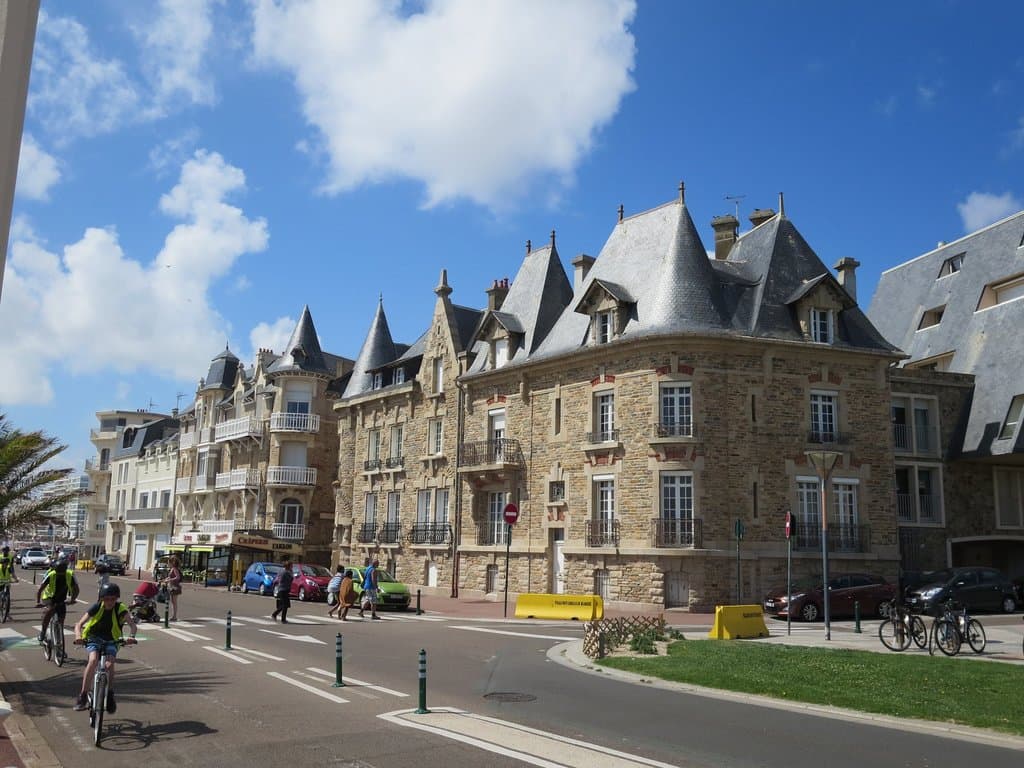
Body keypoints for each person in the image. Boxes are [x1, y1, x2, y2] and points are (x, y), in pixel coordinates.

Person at [73, 583, 137, 713]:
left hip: (112, 640)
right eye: (107, 599)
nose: (110, 602)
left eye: (113, 599)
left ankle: (110, 694)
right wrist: (78, 636)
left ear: (117, 598)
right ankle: (83, 696)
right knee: (93, 660)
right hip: (93, 638)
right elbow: (79, 624)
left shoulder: (120, 608)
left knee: (110, 664)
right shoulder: (97, 607)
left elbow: (132, 625)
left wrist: (131, 637)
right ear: (102, 598)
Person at [37, 556, 79, 643]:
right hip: (49, 597)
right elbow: (40, 589)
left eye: (61, 572)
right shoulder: (51, 574)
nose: (60, 574)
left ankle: (59, 639)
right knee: (49, 611)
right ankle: (43, 632)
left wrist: (72, 599)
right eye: (58, 572)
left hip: (61, 599)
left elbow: (76, 589)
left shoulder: (70, 575)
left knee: (61, 619)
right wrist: (38, 602)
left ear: (65, 571)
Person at [162, 555, 182, 621]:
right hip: (172, 586)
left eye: (168, 563)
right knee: (173, 602)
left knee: (174, 602)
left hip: (175, 587)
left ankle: (174, 616)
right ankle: (174, 616)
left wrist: (169, 580)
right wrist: (166, 579)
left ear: (172, 563)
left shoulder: (174, 569)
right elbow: (171, 577)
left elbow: (178, 577)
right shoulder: (172, 569)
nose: (168, 564)